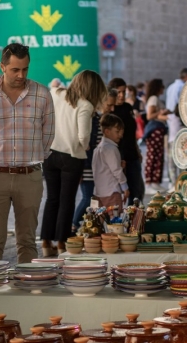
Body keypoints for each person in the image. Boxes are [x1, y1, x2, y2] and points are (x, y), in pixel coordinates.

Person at [0, 43, 54, 264]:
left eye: (25, 69)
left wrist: (33, 158)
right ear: (2, 67)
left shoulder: (42, 94)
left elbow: (48, 135)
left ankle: (29, 293)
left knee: (28, 242)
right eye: (15, 70)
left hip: (30, 176)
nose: (21, 75)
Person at [41, 70, 106, 256]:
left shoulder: (56, 94)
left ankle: (46, 243)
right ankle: (62, 243)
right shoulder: (85, 105)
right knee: (67, 200)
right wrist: (84, 146)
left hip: (50, 153)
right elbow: (84, 135)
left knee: (52, 198)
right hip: (71, 156)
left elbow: (51, 90)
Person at [72, 90, 110, 232]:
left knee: (93, 198)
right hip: (86, 164)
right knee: (87, 197)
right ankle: (74, 223)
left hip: (95, 165)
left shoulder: (97, 118)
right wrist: (80, 168)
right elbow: (83, 144)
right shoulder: (88, 118)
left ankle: (91, 226)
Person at [107, 78, 144, 204]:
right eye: (118, 92)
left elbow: (132, 133)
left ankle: (134, 221)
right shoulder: (110, 111)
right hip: (117, 157)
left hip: (132, 154)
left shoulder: (128, 107)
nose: (122, 95)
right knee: (118, 193)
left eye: (124, 92)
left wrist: (138, 151)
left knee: (137, 191)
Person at [165, 68, 187, 187]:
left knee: (172, 158)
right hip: (180, 124)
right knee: (184, 157)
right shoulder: (183, 87)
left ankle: (173, 183)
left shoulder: (171, 87)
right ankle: (184, 183)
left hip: (172, 123)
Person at [93, 114, 129, 208]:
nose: (120, 135)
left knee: (99, 221)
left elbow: (104, 169)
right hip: (112, 192)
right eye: (117, 132)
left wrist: (119, 165)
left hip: (99, 193)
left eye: (121, 132)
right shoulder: (111, 148)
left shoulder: (98, 149)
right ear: (107, 131)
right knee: (115, 221)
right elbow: (116, 171)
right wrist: (125, 187)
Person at [143, 79, 170, 190]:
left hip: (159, 129)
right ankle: (150, 181)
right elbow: (150, 116)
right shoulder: (153, 99)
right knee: (153, 155)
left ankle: (154, 181)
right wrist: (161, 112)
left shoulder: (155, 99)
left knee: (158, 155)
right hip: (155, 129)